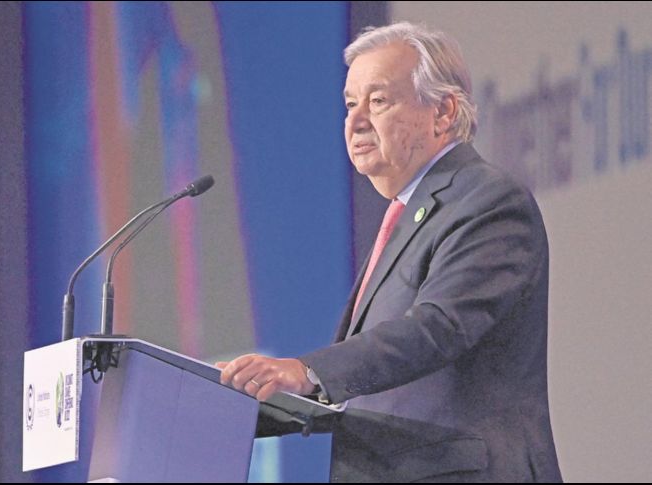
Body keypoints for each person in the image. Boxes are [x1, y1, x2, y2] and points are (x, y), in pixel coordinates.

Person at [218, 21, 561, 482]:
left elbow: (438, 328)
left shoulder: (489, 201)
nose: (356, 121)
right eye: (349, 104)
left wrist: (307, 370)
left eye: (377, 101)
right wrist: (233, 398)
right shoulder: (406, 215)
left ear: (443, 112)